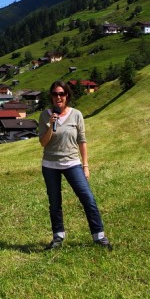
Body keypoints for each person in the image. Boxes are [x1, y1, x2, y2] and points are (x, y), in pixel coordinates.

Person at [38, 80, 112, 250]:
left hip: (72, 163)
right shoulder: (45, 116)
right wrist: (51, 125)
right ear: (51, 96)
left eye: (61, 94)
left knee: (88, 198)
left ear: (67, 96)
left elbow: (82, 141)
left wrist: (85, 165)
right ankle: (58, 237)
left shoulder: (76, 115)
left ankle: (99, 236)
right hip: (50, 165)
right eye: (55, 94)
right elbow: (43, 142)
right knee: (55, 202)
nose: (58, 97)